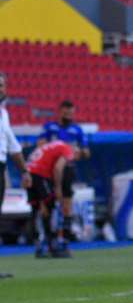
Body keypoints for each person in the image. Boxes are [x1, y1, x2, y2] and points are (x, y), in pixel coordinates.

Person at [38, 100, 90, 242]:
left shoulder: (77, 130)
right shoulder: (50, 127)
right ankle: (47, 232)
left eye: (71, 113)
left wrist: (80, 153)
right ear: (60, 111)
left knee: (67, 198)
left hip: (67, 168)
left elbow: (86, 151)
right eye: (66, 112)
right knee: (48, 200)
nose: (69, 115)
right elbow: (40, 144)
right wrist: (58, 148)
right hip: (49, 169)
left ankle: (66, 230)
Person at [0, 72, 31, 276]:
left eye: (3, 85)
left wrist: (24, 171)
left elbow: (13, 146)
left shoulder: (4, 113)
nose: (2, 89)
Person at [26, 140, 75, 258]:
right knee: (49, 208)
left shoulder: (52, 145)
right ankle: (53, 247)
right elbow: (58, 168)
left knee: (36, 210)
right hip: (40, 174)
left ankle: (39, 247)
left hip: (29, 172)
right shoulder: (67, 149)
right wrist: (58, 188)